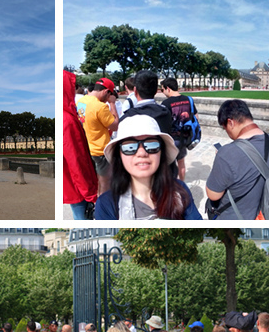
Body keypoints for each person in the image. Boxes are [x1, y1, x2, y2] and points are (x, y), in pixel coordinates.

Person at [94, 114, 202, 220]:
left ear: (161, 152)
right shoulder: (107, 204)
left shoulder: (179, 191)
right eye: (130, 147)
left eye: (151, 145)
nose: (142, 153)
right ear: (119, 155)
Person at [206, 99, 269, 220]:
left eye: (225, 128)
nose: (227, 132)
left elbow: (213, 195)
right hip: (267, 214)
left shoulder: (226, 153)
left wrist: (220, 161)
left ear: (230, 123)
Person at [63, 70, 98, 220]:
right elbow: (76, 161)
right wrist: (90, 193)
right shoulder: (67, 120)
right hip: (78, 188)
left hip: (72, 184)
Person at [76, 77, 119, 196]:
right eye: (109, 96)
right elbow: (115, 126)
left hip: (90, 147)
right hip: (102, 149)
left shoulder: (81, 101)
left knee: (99, 181)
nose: (107, 99)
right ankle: (103, 209)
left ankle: (100, 205)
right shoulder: (100, 107)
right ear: (106, 92)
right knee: (105, 183)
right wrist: (112, 104)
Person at [160, 77, 199, 181]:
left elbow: (163, 123)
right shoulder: (188, 99)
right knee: (181, 162)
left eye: (162, 89)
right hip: (185, 137)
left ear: (168, 88)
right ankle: (182, 184)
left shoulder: (166, 104)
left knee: (169, 165)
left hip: (172, 139)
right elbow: (196, 118)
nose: (163, 92)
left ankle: (171, 186)